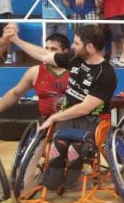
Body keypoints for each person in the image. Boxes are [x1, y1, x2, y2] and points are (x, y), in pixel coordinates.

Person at [10, 25, 118, 191]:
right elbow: (44, 55)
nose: (73, 47)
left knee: (75, 149)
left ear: (89, 47)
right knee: (57, 146)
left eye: (76, 43)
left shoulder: (106, 74)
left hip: (93, 120)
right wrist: (16, 40)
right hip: (68, 117)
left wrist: (54, 117)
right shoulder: (75, 59)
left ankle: (70, 181)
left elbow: (84, 108)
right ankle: (54, 182)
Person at [0, 34, 71, 118]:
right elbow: (15, 93)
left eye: (53, 49)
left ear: (65, 53)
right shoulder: (35, 72)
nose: (48, 52)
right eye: (46, 48)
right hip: (46, 123)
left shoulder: (75, 70)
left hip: (72, 123)